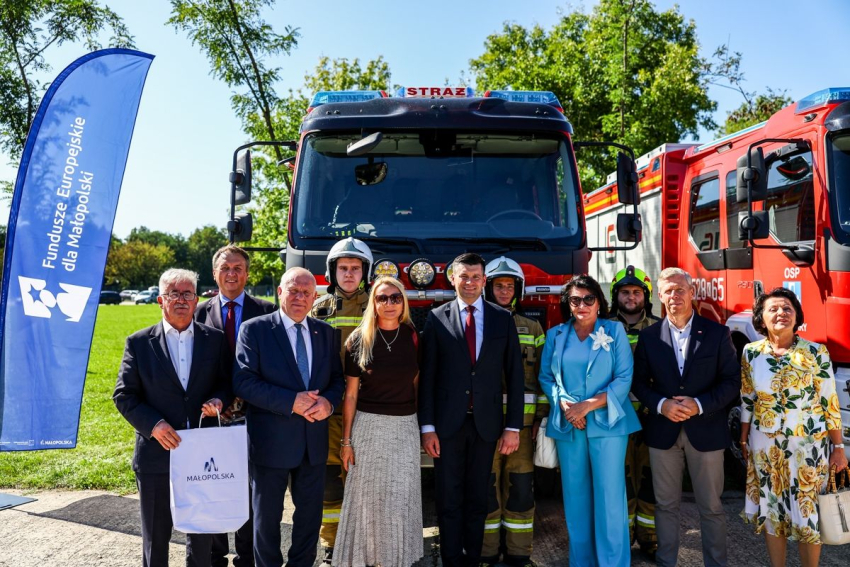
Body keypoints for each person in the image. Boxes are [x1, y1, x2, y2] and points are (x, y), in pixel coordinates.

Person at [114, 268, 232, 567]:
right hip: (156, 453)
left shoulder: (214, 340)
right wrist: (154, 425)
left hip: (201, 456)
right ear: (160, 300)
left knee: (201, 534)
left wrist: (219, 399)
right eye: (173, 294)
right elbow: (124, 396)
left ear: (197, 299)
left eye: (187, 293)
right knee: (156, 537)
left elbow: (227, 382)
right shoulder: (139, 343)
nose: (181, 299)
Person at [233, 267, 345, 567]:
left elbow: (337, 381)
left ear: (314, 298)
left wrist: (328, 405)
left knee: (309, 516)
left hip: (313, 441)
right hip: (270, 442)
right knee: (266, 518)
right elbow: (244, 382)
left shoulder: (326, 334)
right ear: (280, 292)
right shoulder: (254, 330)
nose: (300, 297)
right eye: (293, 290)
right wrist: (290, 402)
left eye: (306, 293)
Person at [419, 252, 525, 567]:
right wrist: (427, 428)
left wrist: (513, 426)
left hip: (487, 425)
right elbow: (427, 378)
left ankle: (473, 559)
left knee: (478, 499)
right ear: (453, 278)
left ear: (484, 280)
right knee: (448, 499)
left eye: (476, 277)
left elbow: (515, 378)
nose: (469, 282)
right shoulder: (437, 318)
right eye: (463, 276)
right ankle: (451, 560)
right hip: (447, 427)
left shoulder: (502, 319)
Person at [631, 267, 740, 567]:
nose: (674, 295)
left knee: (712, 507)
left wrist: (700, 404)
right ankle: (667, 562)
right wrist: (662, 404)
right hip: (662, 432)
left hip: (706, 432)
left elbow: (732, 381)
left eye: (680, 289)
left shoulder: (718, 334)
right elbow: (639, 383)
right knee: (665, 506)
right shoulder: (649, 336)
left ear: (692, 292)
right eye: (668, 290)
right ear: (660, 296)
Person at [740, 287, 848, 566]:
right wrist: (743, 439)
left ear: (797, 316)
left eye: (787, 308)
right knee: (772, 509)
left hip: (808, 448)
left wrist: (838, 448)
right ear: (761, 318)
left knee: (808, 513)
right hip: (764, 445)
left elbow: (829, 402)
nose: (781, 313)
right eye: (773, 308)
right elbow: (747, 398)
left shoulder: (815, 352)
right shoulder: (751, 353)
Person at [538, 274, 640, 566]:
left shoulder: (615, 330)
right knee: (576, 498)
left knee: (609, 499)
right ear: (567, 304)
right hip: (570, 424)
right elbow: (546, 376)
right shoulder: (556, 334)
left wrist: (587, 405)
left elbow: (624, 377)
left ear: (599, 301)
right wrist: (565, 404)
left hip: (608, 423)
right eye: (575, 300)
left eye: (588, 299)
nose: (582, 304)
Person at [332, 276, 423, 566]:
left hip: (405, 427)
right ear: (373, 302)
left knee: (400, 499)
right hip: (368, 429)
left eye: (395, 297)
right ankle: (365, 559)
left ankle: (396, 559)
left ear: (403, 302)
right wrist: (346, 442)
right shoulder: (358, 340)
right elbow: (350, 396)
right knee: (368, 502)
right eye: (383, 298)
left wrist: (421, 430)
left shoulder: (412, 336)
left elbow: (417, 385)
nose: (389, 303)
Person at [195, 245, 276, 567]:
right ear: (215, 273)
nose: (232, 273)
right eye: (225, 268)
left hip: (253, 415)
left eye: (238, 268)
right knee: (212, 484)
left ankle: (246, 557)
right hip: (211, 416)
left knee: (249, 490)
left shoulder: (268, 312)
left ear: (247, 273)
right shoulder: (198, 312)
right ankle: (215, 555)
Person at [480, 257, 547, 567]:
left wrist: (542, 418)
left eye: (509, 286)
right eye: (498, 285)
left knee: (520, 489)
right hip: (485, 425)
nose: (504, 291)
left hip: (522, 426)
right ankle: (487, 552)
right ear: (488, 288)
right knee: (486, 490)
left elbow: (546, 375)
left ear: (517, 290)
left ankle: (519, 553)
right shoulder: (478, 323)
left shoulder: (533, 328)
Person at [310, 237, 373, 565]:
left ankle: (363, 543)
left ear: (365, 271)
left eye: (355, 267)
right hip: (330, 409)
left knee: (364, 480)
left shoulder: (378, 305)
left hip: (368, 411)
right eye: (343, 268)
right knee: (331, 481)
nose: (349, 274)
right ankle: (333, 545)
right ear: (332, 271)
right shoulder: (318, 308)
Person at [609, 265, 660, 560]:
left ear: (646, 296)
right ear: (616, 296)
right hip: (615, 420)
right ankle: (622, 539)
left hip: (652, 418)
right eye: (625, 292)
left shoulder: (660, 328)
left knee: (652, 480)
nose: (630, 297)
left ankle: (651, 540)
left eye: (636, 292)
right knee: (621, 479)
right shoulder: (601, 327)